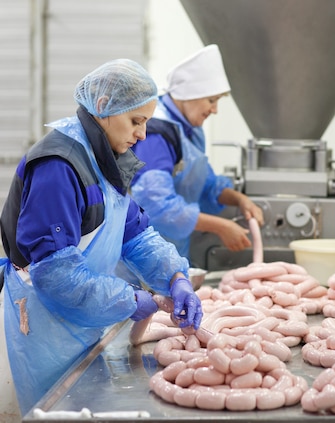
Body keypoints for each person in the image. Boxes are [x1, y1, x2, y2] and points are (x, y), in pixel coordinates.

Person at [0, 59, 203, 416]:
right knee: (50, 411)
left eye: (146, 122)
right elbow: (56, 276)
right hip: (44, 325)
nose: (142, 134)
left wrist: (176, 277)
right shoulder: (59, 167)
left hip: (78, 318)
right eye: (136, 121)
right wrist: (129, 299)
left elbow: (136, 235)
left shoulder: (107, 158)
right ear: (105, 107)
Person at [130, 45, 264, 260]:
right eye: (211, 100)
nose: (215, 110)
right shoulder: (156, 134)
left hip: (170, 254)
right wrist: (221, 227)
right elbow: (157, 205)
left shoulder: (189, 131)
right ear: (187, 95)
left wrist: (240, 200)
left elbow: (206, 184)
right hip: (142, 258)